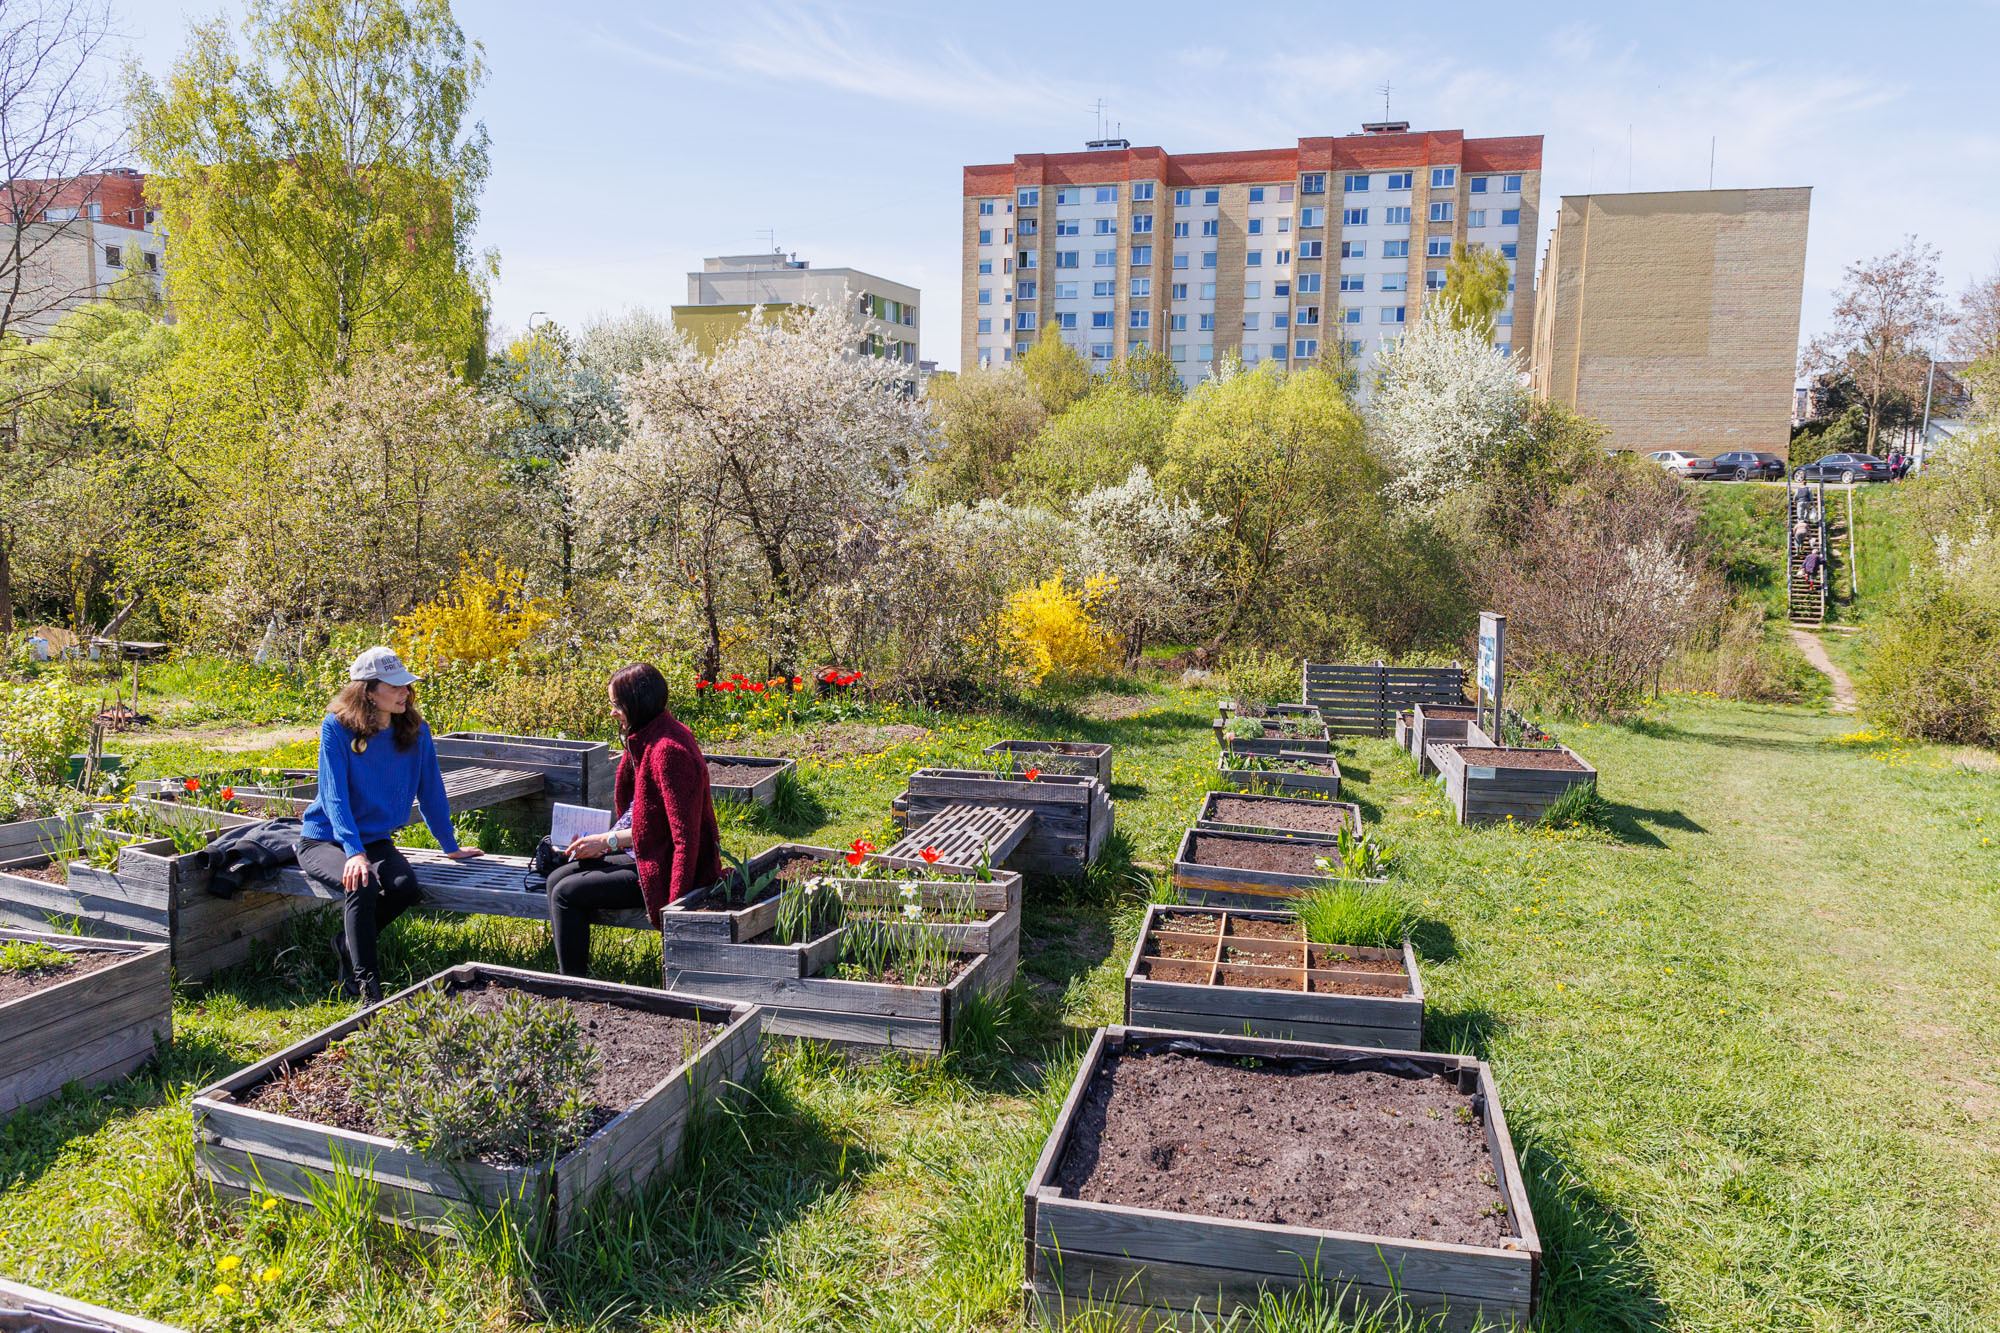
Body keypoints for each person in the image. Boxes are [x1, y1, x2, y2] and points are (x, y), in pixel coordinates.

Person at [296, 647, 481, 1000]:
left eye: (407, 685)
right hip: (325, 839)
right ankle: (367, 988)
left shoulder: (415, 730)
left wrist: (449, 845)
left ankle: (347, 943)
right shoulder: (336, 726)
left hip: (374, 838)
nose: (405, 693)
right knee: (363, 883)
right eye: (394, 686)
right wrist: (353, 852)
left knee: (403, 887)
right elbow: (334, 796)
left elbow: (431, 789)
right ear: (367, 691)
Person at [546, 662, 721, 976]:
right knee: (556, 878)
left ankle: (573, 986)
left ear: (637, 704)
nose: (612, 712)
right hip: (646, 853)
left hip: (667, 867)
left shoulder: (668, 750)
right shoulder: (648, 735)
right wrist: (605, 842)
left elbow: (681, 834)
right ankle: (572, 973)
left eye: (616, 704)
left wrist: (676, 906)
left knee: (565, 894)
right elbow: (645, 819)